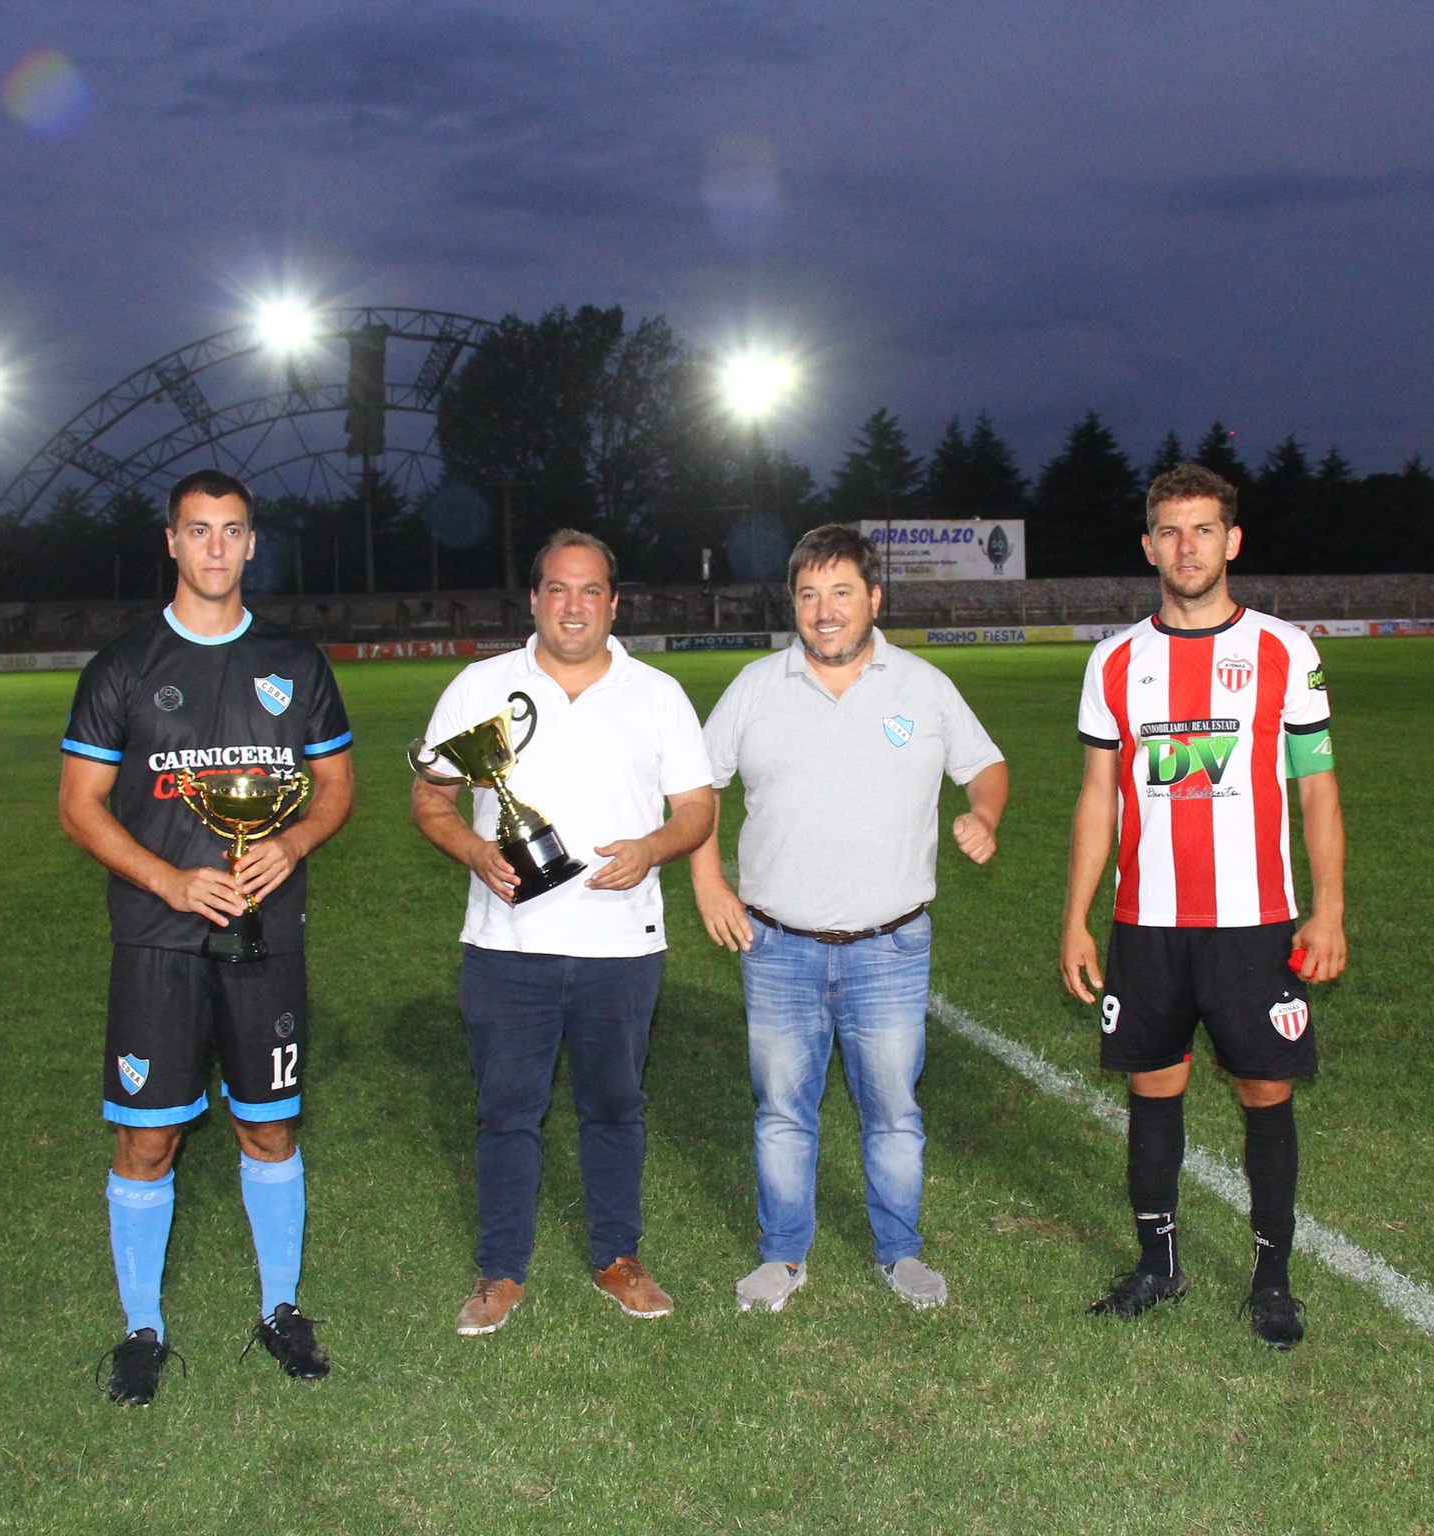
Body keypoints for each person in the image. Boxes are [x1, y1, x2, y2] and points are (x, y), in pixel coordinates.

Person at [58, 468, 356, 1404]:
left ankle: (281, 1308)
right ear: (172, 541)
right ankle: (142, 1328)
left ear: (252, 544)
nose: (216, 547)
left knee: (268, 1124)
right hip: (158, 937)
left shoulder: (296, 662)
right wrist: (170, 880)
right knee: (147, 1141)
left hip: (268, 935)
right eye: (199, 530)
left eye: (232, 530)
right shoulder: (123, 665)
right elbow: (78, 806)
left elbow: (337, 786)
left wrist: (292, 842)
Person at [1059, 461, 1346, 1350]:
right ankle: (1159, 1265)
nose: (1187, 547)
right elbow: (1098, 795)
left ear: (1233, 541)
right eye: (1171, 531)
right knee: (1154, 1087)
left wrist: (1328, 909)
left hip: (1253, 921)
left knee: (1265, 1089)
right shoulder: (1115, 660)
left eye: (1204, 530)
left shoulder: (1285, 651)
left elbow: (1317, 789)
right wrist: (1076, 917)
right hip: (1147, 921)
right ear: (1149, 546)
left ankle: (1272, 1280)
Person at [690, 524, 1008, 1314]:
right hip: (777, 946)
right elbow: (698, 785)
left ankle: (900, 1252)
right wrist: (708, 881)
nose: (824, 610)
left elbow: (986, 765)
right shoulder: (756, 688)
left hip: (889, 947)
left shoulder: (922, 688)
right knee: (781, 1112)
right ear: (792, 604)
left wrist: (985, 814)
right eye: (808, 595)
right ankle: (782, 1256)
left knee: (894, 1112)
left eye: (840, 592)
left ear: (875, 598)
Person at [411, 530, 715, 1337]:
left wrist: (653, 848)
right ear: (534, 599)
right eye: (557, 588)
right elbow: (430, 798)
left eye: (589, 591)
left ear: (613, 603)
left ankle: (618, 1257)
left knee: (615, 1107)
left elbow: (697, 808)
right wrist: (474, 850)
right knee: (506, 1112)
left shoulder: (658, 695)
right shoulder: (481, 686)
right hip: (508, 948)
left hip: (622, 946)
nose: (573, 606)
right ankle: (501, 1270)